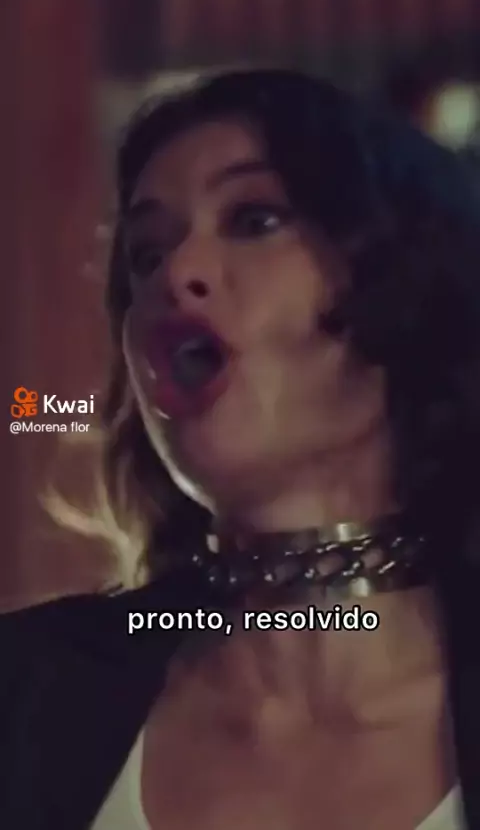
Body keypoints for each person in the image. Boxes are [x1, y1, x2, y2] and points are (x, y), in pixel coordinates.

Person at [2, 68, 480, 830]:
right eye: (146, 254)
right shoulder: (25, 694)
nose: (176, 274)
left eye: (255, 219)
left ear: (407, 283)